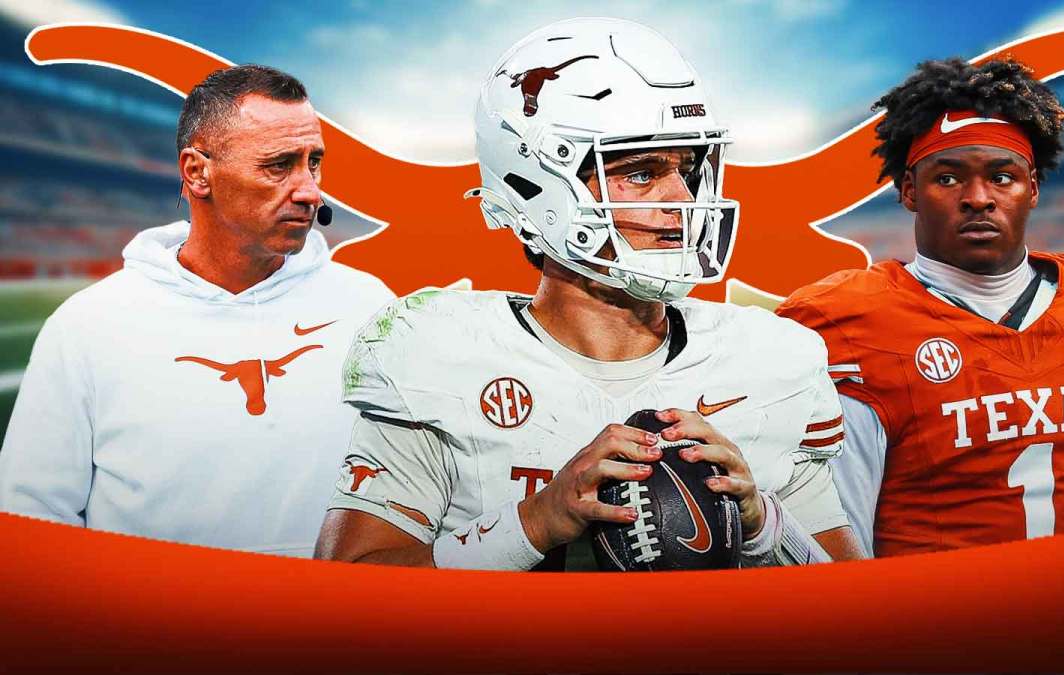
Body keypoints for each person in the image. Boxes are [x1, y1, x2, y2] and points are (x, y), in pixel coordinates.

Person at [315, 18, 865, 570]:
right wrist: (533, 523)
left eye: (688, 168)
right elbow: (351, 589)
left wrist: (761, 522)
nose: (681, 197)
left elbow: (850, 609)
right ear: (536, 187)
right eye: (642, 172)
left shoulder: (771, 359)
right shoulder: (436, 353)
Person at [776, 58, 1064, 557]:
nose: (979, 199)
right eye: (949, 179)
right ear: (909, 191)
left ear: (1033, 188)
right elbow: (839, 553)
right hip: (930, 625)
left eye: (1002, 177)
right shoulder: (848, 324)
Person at [0, 65, 394, 556]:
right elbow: (33, 520)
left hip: (331, 625)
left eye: (313, 162)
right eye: (278, 165)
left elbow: (414, 490)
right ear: (197, 171)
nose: (310, 190)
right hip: (150, 629)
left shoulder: (371, 308)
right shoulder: (89, 325)